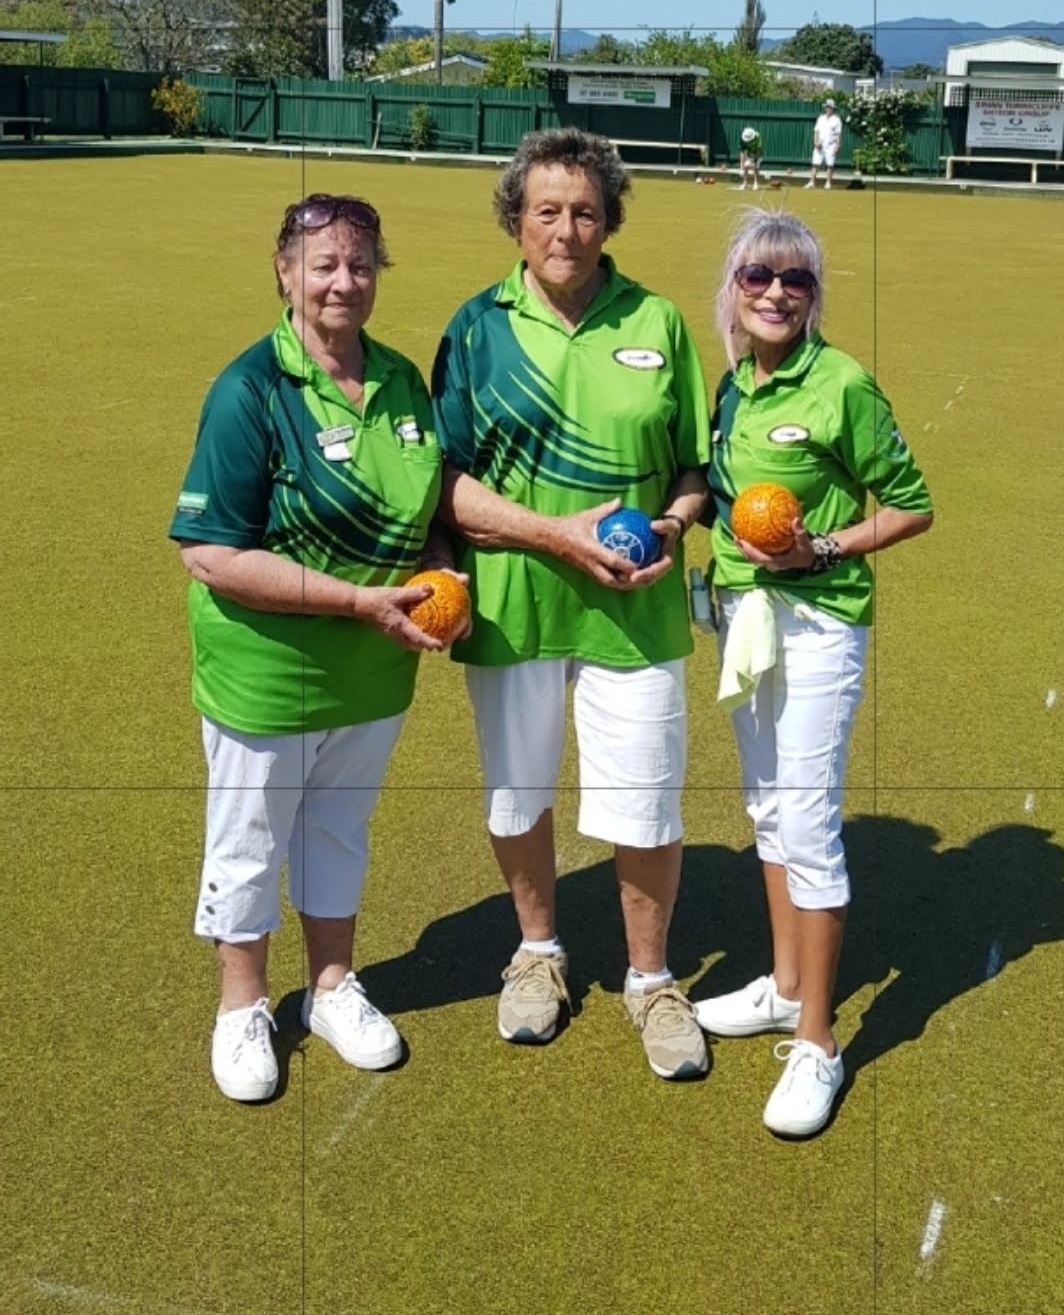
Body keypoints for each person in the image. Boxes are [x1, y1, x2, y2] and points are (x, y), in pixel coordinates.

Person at [430, 127, 713, 1080]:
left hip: (635, 610)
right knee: (517, 792)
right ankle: (538, 953)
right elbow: (447, 483)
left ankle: (652, 981)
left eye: (585, 211)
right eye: (545, 211)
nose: (566, 230)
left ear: (610, 220)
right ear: (515, 220)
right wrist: (557, 536)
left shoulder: (657, 321)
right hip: (515, 606)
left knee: (647, 802)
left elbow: (694, 471)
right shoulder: (476, 327)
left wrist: (668, 528)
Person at [169, 193, 462, 1103]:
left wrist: (442, 573)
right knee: (250, 840)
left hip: (376, 668)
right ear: (285, 272)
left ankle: (331, 988)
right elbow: (210, 553)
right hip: (271, 671)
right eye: (324, 265)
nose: (344, 282)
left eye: (361, 264)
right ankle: (242, 1006)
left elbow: (432, 506)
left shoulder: (402, 380)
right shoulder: (251, 388)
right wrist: (356, 601)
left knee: (337, 828)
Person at [695, 208, 933, 1135]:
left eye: (795, 279)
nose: (776, 293)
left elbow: (911, 505)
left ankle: (818, 1042)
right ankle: (786, 985)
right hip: (744, 617)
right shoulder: (733, 386)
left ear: (814, 295)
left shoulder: (842, 385)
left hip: (818, 623)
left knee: (807, 819)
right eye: (757, 275)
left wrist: (821, 547)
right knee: (766, 809)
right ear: (733, 289)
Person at [806, 97, 842, 189]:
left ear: (833, 109)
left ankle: (828, 183)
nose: (828, 109)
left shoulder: (837, 120)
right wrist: (815, 142)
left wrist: (837, 146)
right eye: (827, 107)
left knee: (830, 165)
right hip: (819, 145)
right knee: (815, 164)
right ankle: (812, 182)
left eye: (830, 107)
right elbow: (816, 131)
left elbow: (838, 134)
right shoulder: (821, 118)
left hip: (831, 145)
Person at [739, 126, 763, 190]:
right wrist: (741, 167)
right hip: (749, 154)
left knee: (756, 167)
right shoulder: (742, 139)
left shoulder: (757, 136)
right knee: (745, 166)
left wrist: (754, 161)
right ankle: (745, 183)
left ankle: (756, 183)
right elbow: (742, 152)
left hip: (758, 154)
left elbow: (758, 150)